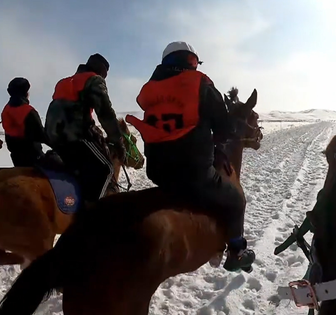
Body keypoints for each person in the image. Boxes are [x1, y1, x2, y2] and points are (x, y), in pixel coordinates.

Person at [126, 41, 255, 272]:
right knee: (236, 200)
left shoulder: (150, 88)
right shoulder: (200, 83)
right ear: (191, 61)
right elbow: (223, 126)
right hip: (194, 172)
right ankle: (237, 251)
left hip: (157, 172)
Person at [45, 53, 126, 204]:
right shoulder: (93, 79)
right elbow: (105, 112)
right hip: (76, 136)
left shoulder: (64, 82)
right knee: (107, 169)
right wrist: (117, 140)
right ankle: (91, 212)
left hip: (54, 138)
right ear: (101, 70)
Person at [0, 77, 49, 167]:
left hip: (17, 159)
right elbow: (42, 136)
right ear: (26, 93)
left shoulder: (5, 111)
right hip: (35, 159)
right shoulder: (28, 111)